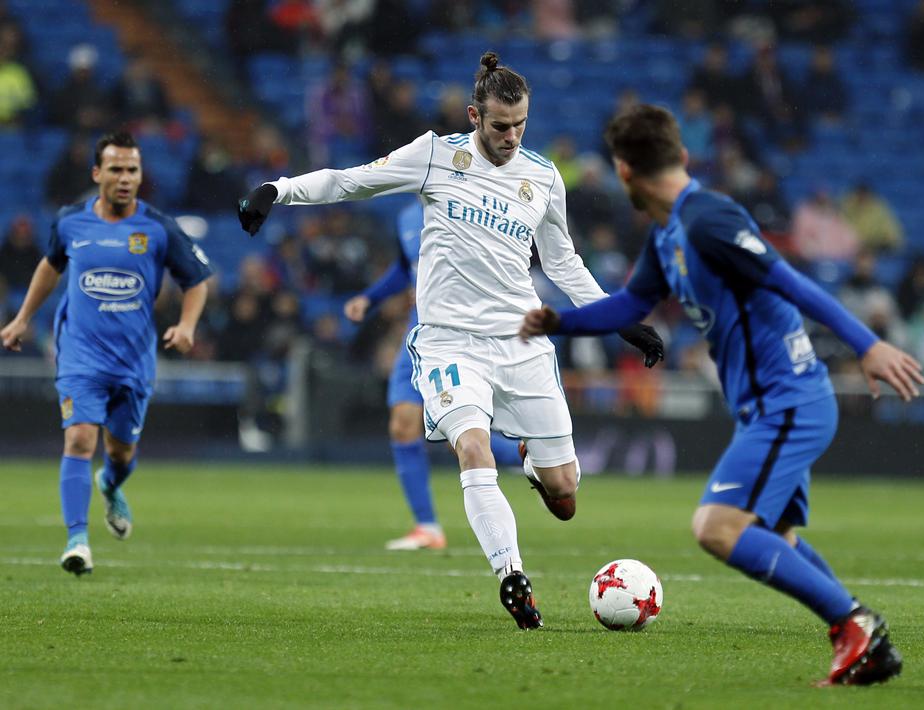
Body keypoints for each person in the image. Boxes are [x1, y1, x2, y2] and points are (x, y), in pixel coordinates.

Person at [237, 52, 663, 629]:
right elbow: (350, 181)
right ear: (473, 115)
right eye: (499, 126)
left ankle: (536, 469)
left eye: (520, 125)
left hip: (523, 342)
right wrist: (277, 189)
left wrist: (621, 316)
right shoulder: (435, 154)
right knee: (472, 446)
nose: (511, 137)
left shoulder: (541, 176)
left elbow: (564, 263)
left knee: (564, 496)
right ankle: (511, 575)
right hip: (448, 342)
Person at [520, 104, 924, 686]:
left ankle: (856, 626)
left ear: (623, 172)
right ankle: (865, 640)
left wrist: (867, 345)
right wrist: (559, 323)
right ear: (681, 156)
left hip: (790, 400)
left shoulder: (709, 218)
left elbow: (788, 278)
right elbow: (631, 306)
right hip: (767, 406)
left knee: (717, 527)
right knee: (777, 538)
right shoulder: (668, 236)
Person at [0, 131, 212, 576]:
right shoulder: (71, 222)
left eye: (132, 170)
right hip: (80, 353)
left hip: (134, 359)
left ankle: (110, 485)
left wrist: (187, 325)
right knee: (79, 438)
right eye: (115, 169)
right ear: (97, 173)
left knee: (119, 453)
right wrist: (22, 319)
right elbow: (49, 265)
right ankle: (77, 541)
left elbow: (196, 280)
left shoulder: (157, 228)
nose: (124, 178)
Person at [343, 199, 527, 551]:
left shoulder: (465, 207)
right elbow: (404, 267)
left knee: (455, 432)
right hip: (419, 334)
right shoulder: (407, 215)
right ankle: (427, 527)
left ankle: (527, 455)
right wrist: (370, 298)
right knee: (403, 423)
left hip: (459, 334)